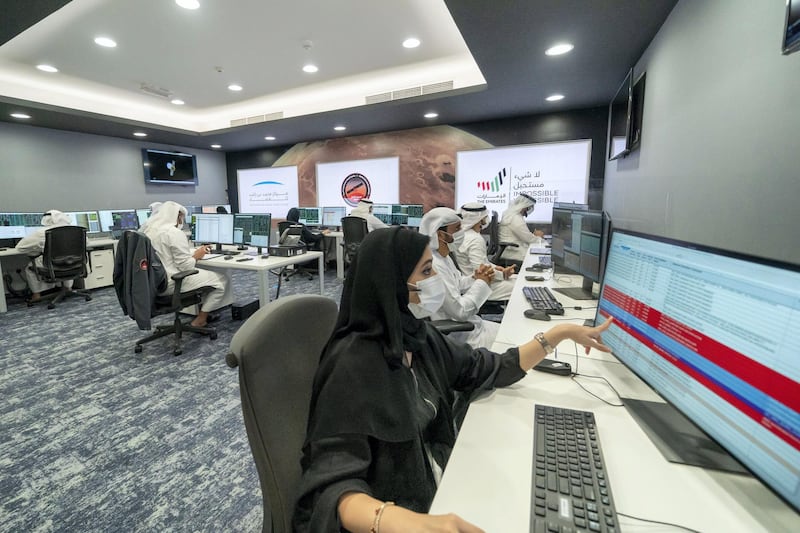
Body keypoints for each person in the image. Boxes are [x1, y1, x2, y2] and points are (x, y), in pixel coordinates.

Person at [293, 226, 612, 532]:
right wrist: (405, 523)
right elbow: (334, 487)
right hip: (396, 515)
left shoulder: (418, 338)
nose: (436, 283)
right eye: (426, 272)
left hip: (438, 481)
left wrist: (559, 334)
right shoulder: (350, 367)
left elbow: (489, 367)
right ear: (390, 283)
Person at [141, 201, 233, 327]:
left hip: (152, 284)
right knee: (221, 280)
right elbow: (186, 266)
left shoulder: (147, 232)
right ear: (178, 216)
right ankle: (201, 319)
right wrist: (197, 255)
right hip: (172, 282)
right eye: (181, 217)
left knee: (208, 278)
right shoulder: (173, 232)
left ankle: (205, 310)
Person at [419, 207, 498, 349]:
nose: (462, 233)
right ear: (441, 235)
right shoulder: (433, 265)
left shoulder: (443, 257)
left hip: (471, 326)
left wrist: (476, 277)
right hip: (458, 336)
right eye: (457, 228)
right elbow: (460, 311)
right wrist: (482, 283)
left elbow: (458, 283)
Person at [453, 202, 516, 301]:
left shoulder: (461, 235)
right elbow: (481, 271)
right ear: (480, 219)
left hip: (470, 283)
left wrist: (497, 268)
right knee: (521, 287)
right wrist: (503, 274)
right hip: (479, 286)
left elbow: (481, 263)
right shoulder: (475, 239)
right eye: (484, 217)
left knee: (517, 279)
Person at [15, 210, 77, 303]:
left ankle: (36, 295)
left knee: (31, 268)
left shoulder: (42, 232)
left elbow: (20, 247)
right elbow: (86, 243)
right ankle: (68, 288)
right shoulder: (74, 230)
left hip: (52, 265)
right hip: (73, 263)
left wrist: (38, 247)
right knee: (66, 262)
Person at [498, 193, 545, 265]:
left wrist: (534, 236)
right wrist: (540, 238)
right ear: (525, 207)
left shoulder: (509, 213)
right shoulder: (515, 218)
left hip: (510, 249)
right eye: (529, 207)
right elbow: (528, 239)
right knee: (539, 257)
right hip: (514, 251)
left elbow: (525, 235)